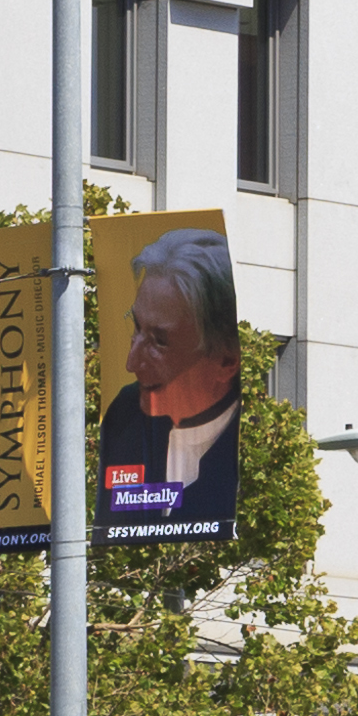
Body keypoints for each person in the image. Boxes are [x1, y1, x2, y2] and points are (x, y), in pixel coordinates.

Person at [92, 229, 246, 540]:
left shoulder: (250, 447)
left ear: (226, 361)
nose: (131, 363)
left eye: (160, 343)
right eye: (136, 328)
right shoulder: (124, 415)